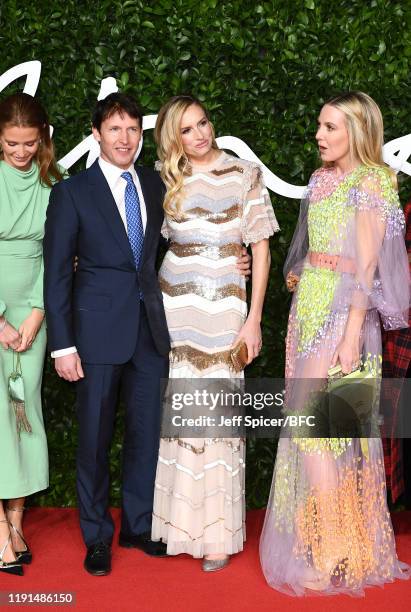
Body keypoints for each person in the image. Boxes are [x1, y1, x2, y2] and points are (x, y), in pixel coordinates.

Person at [43, 93, 250, 576]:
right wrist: (63, 344)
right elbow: (56, 273)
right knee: (94, 440)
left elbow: (192, 235)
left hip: (154, 333)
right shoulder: (73, 193)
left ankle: (138, 526)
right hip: (93, 337)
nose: (124, 139)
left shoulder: (159, 185)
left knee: (145, 436)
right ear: (96, 134)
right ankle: (97, 536)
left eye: (133, 129)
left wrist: (235, 256)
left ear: (143, 135)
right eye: (114, 129)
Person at [259, 91, 410, 595]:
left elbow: (367, 269)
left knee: (320, 433)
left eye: (330, 127)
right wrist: (304, 271)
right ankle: (335, 541)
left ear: (357, 130)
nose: (320, 135)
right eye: (319, 125)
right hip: (310, 309)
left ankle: (335, 546)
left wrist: (350, 337)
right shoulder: (321, 180)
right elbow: (315, 247)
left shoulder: (373, 182)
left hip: (347, 317)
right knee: (312, 433)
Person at [151, 95, 279, 571]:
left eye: (202, 122)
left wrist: (254, 317)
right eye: (187, 129)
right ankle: (180, 530)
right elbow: (152, 243)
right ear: (174, 138)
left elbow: (260, 249)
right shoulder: (169, 178)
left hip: (227, 312)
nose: (200, 134)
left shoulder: (245, 174)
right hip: (175, 313)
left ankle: (218, 537)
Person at [0, 93, 63, 575]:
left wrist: (38, 312)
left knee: (23, 413)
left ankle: (16, 521)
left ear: (42, 138)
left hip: (32, 316)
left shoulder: (51, 183)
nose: (20, 152)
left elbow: (60, 257)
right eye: (10, 144)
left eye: (28, 143)